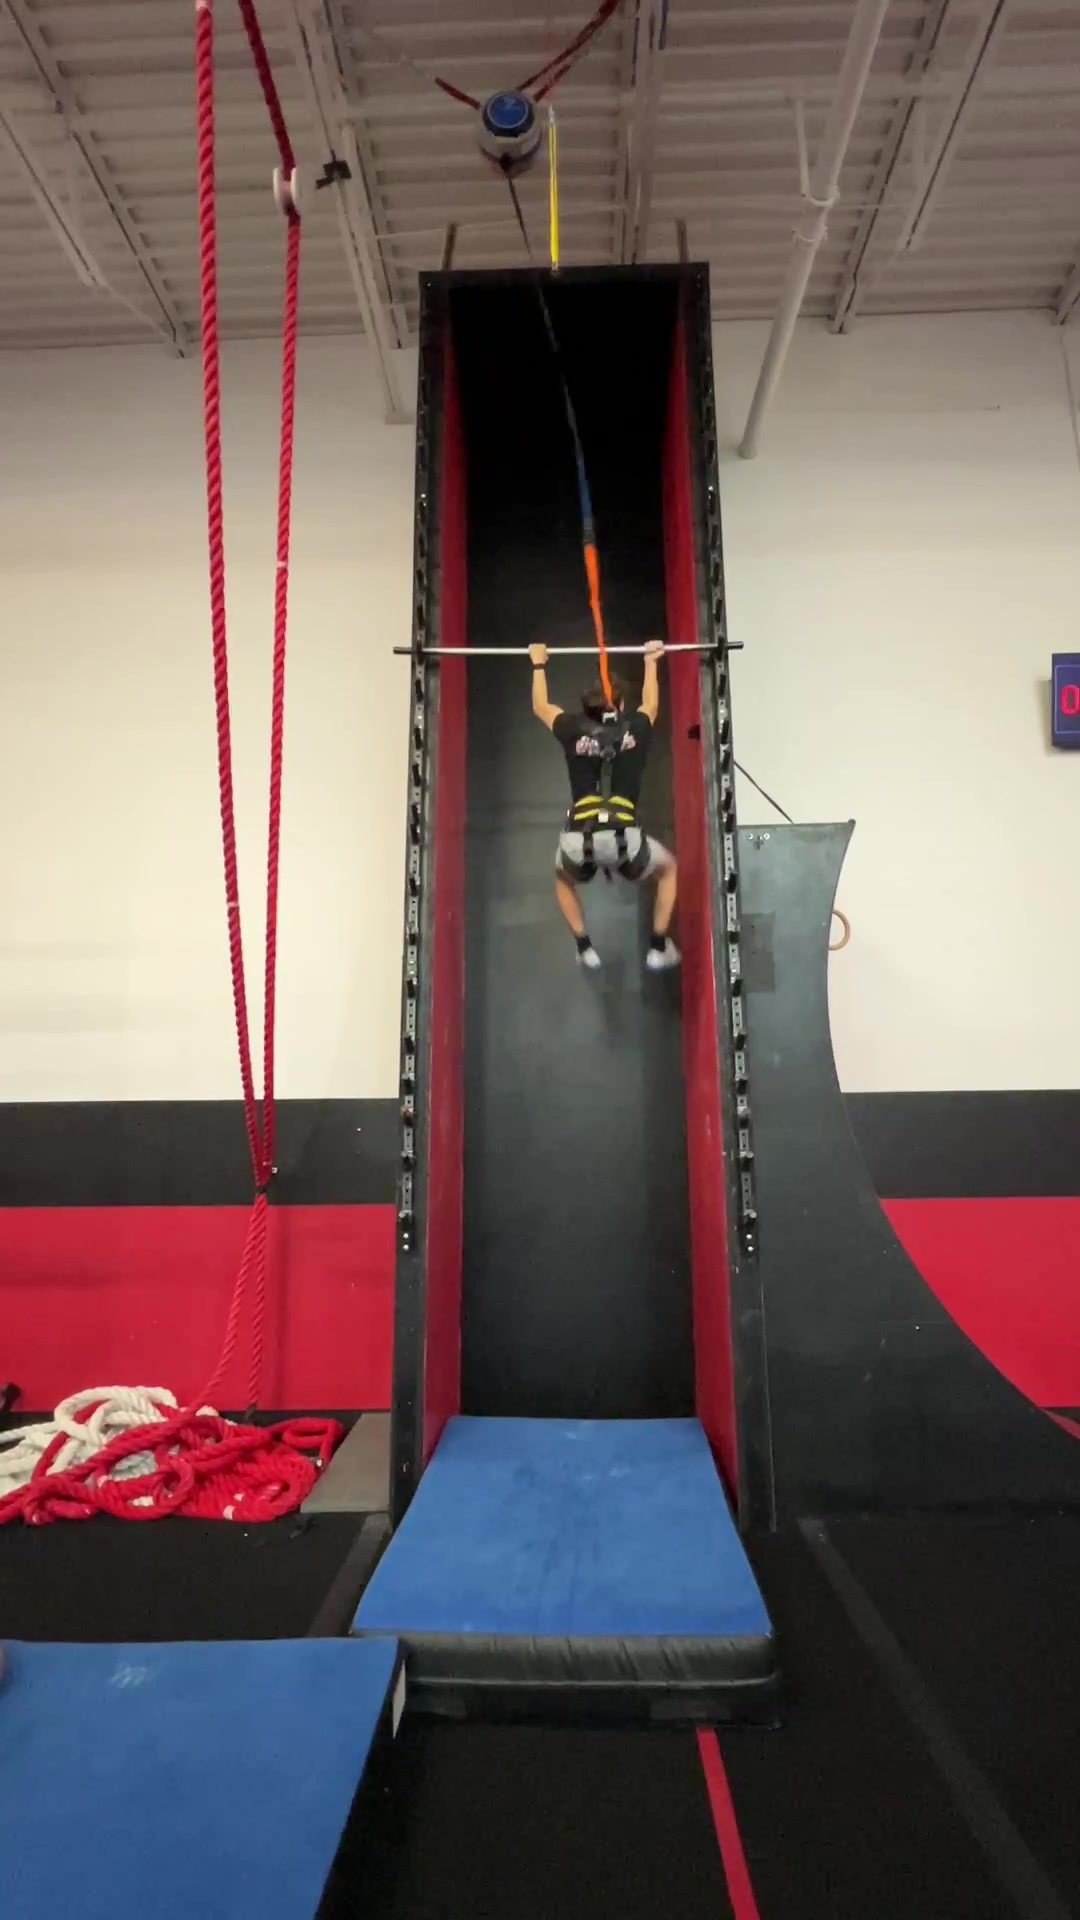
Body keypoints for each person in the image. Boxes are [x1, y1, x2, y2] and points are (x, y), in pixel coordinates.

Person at [529, 639, 679, 972]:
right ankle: (658, 947)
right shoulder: (636, 727)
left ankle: (584, 947)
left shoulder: (571, 727)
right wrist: (651, 660)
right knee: (668, 869)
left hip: (580, 840)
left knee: (562, 878)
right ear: (621, 705)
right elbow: (652, 703)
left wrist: (538, 663)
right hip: (627, 841)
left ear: (587, 710)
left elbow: (540, 705)